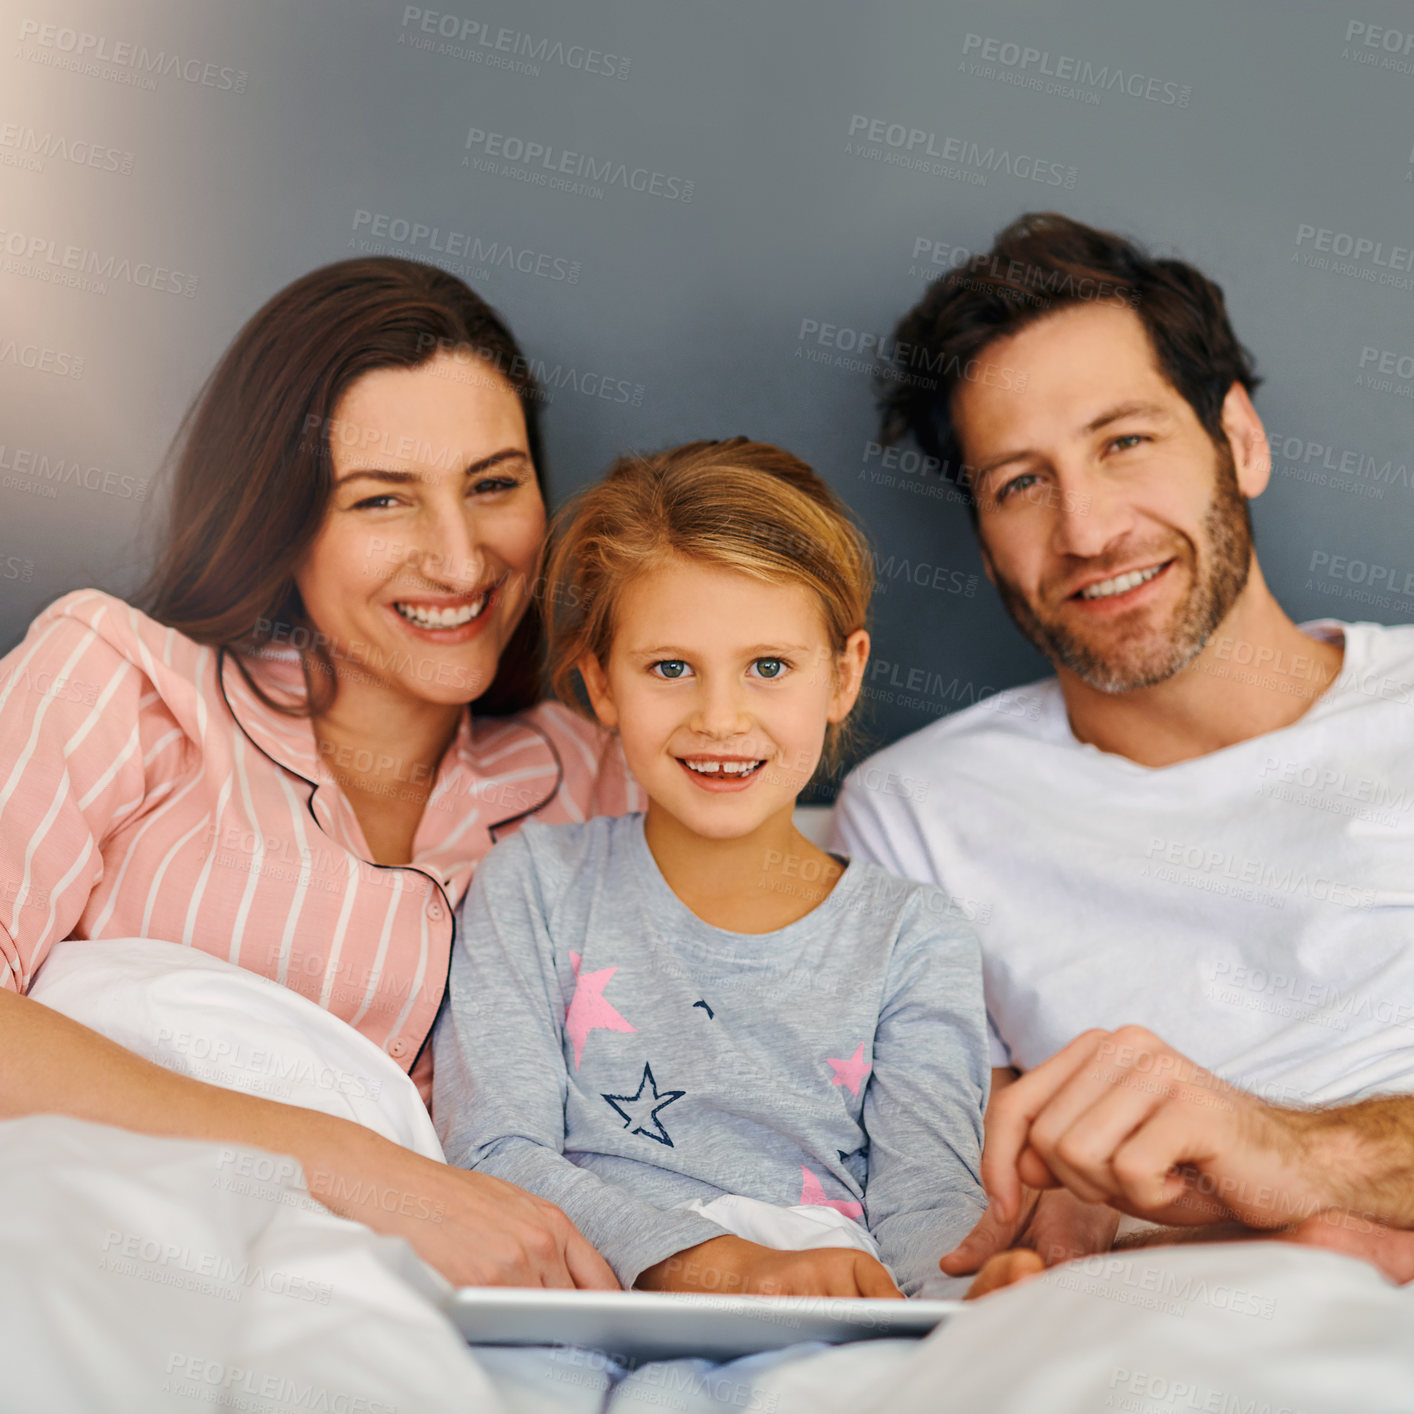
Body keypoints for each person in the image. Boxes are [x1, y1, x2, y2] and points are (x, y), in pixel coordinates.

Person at [0, 257, 647, 1290]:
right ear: (284, 516)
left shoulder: (604, 780)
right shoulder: (121, 678)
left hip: (424, 1321)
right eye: (383, 500)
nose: (458, 559)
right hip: (108, 1260)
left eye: (493, 484)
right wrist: (354, 1168)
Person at [830, 212, 1414, 1293]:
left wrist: (1296, 1158)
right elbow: (965, 1214)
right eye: (1019, 482)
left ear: (1237, 439)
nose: (1089, 529)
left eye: (1124, 441)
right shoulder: (919, 815)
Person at [432, 438, 990, 1297]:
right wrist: (711, 1266)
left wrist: (983, 1313)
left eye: (769, 667)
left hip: (823, 1312)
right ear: (602, 687)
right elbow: (496, 1152)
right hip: (588, 1289)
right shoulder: (532, 885)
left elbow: (929, 1208)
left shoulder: (913, 936)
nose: (721, 719)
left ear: (843, 676)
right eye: (670, 669)